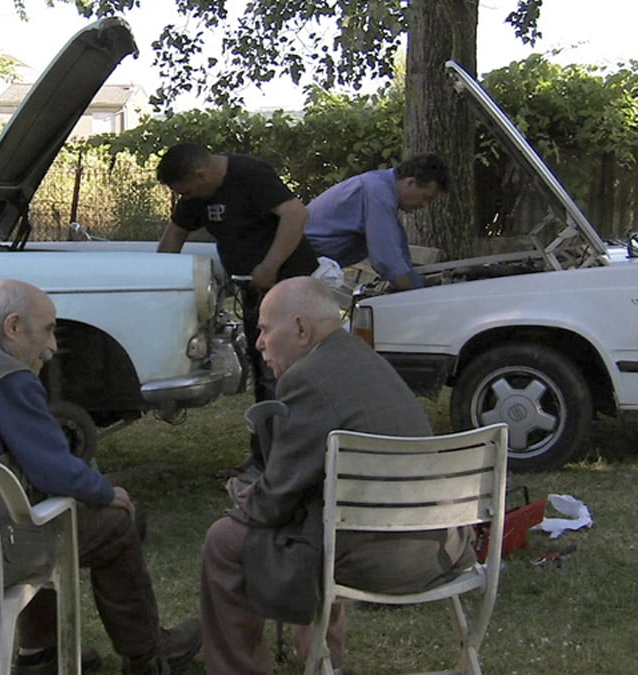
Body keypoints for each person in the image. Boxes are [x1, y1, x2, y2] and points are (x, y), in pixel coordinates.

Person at [0, 279, 201, 675]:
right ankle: (149, 653)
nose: (53, 347)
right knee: (118, 522)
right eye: (49, 330)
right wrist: (106, 492)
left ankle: (41, 654)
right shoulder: (7, 377)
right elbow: (55, 471)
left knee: (30, 514)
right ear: (14, 327)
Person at [198, 277, 478, 675]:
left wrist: (245, 501)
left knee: (224, 541)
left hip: (381, 558)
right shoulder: (365, 358)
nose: (259, 342)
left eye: (264, 329)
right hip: (441, 547)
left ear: (300, 329)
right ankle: (324, 658)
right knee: (314, 520)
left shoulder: (307, 378)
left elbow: (275, 499)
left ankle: (239, 668)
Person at [155, 142, 320, 470]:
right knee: (263, 371)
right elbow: (175, 233)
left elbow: (295, 213)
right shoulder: (198, 196)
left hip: (289, 286)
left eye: (185, 190)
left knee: (287, 373)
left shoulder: (250, 175)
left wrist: (271, 264)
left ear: (201, 176)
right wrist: (157, 280)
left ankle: (298, 458)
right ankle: (265, 456)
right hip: (254, 291)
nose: (184, 198)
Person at [304, 153, 449, 290]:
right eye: (425, 197)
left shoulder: (382, 190)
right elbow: (387, 261)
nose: (424, 205)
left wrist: (418, 286)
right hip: (300, 264)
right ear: (410, 182)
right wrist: (416, 296)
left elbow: (399, 250)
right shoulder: (379, 193)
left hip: (312, 265)